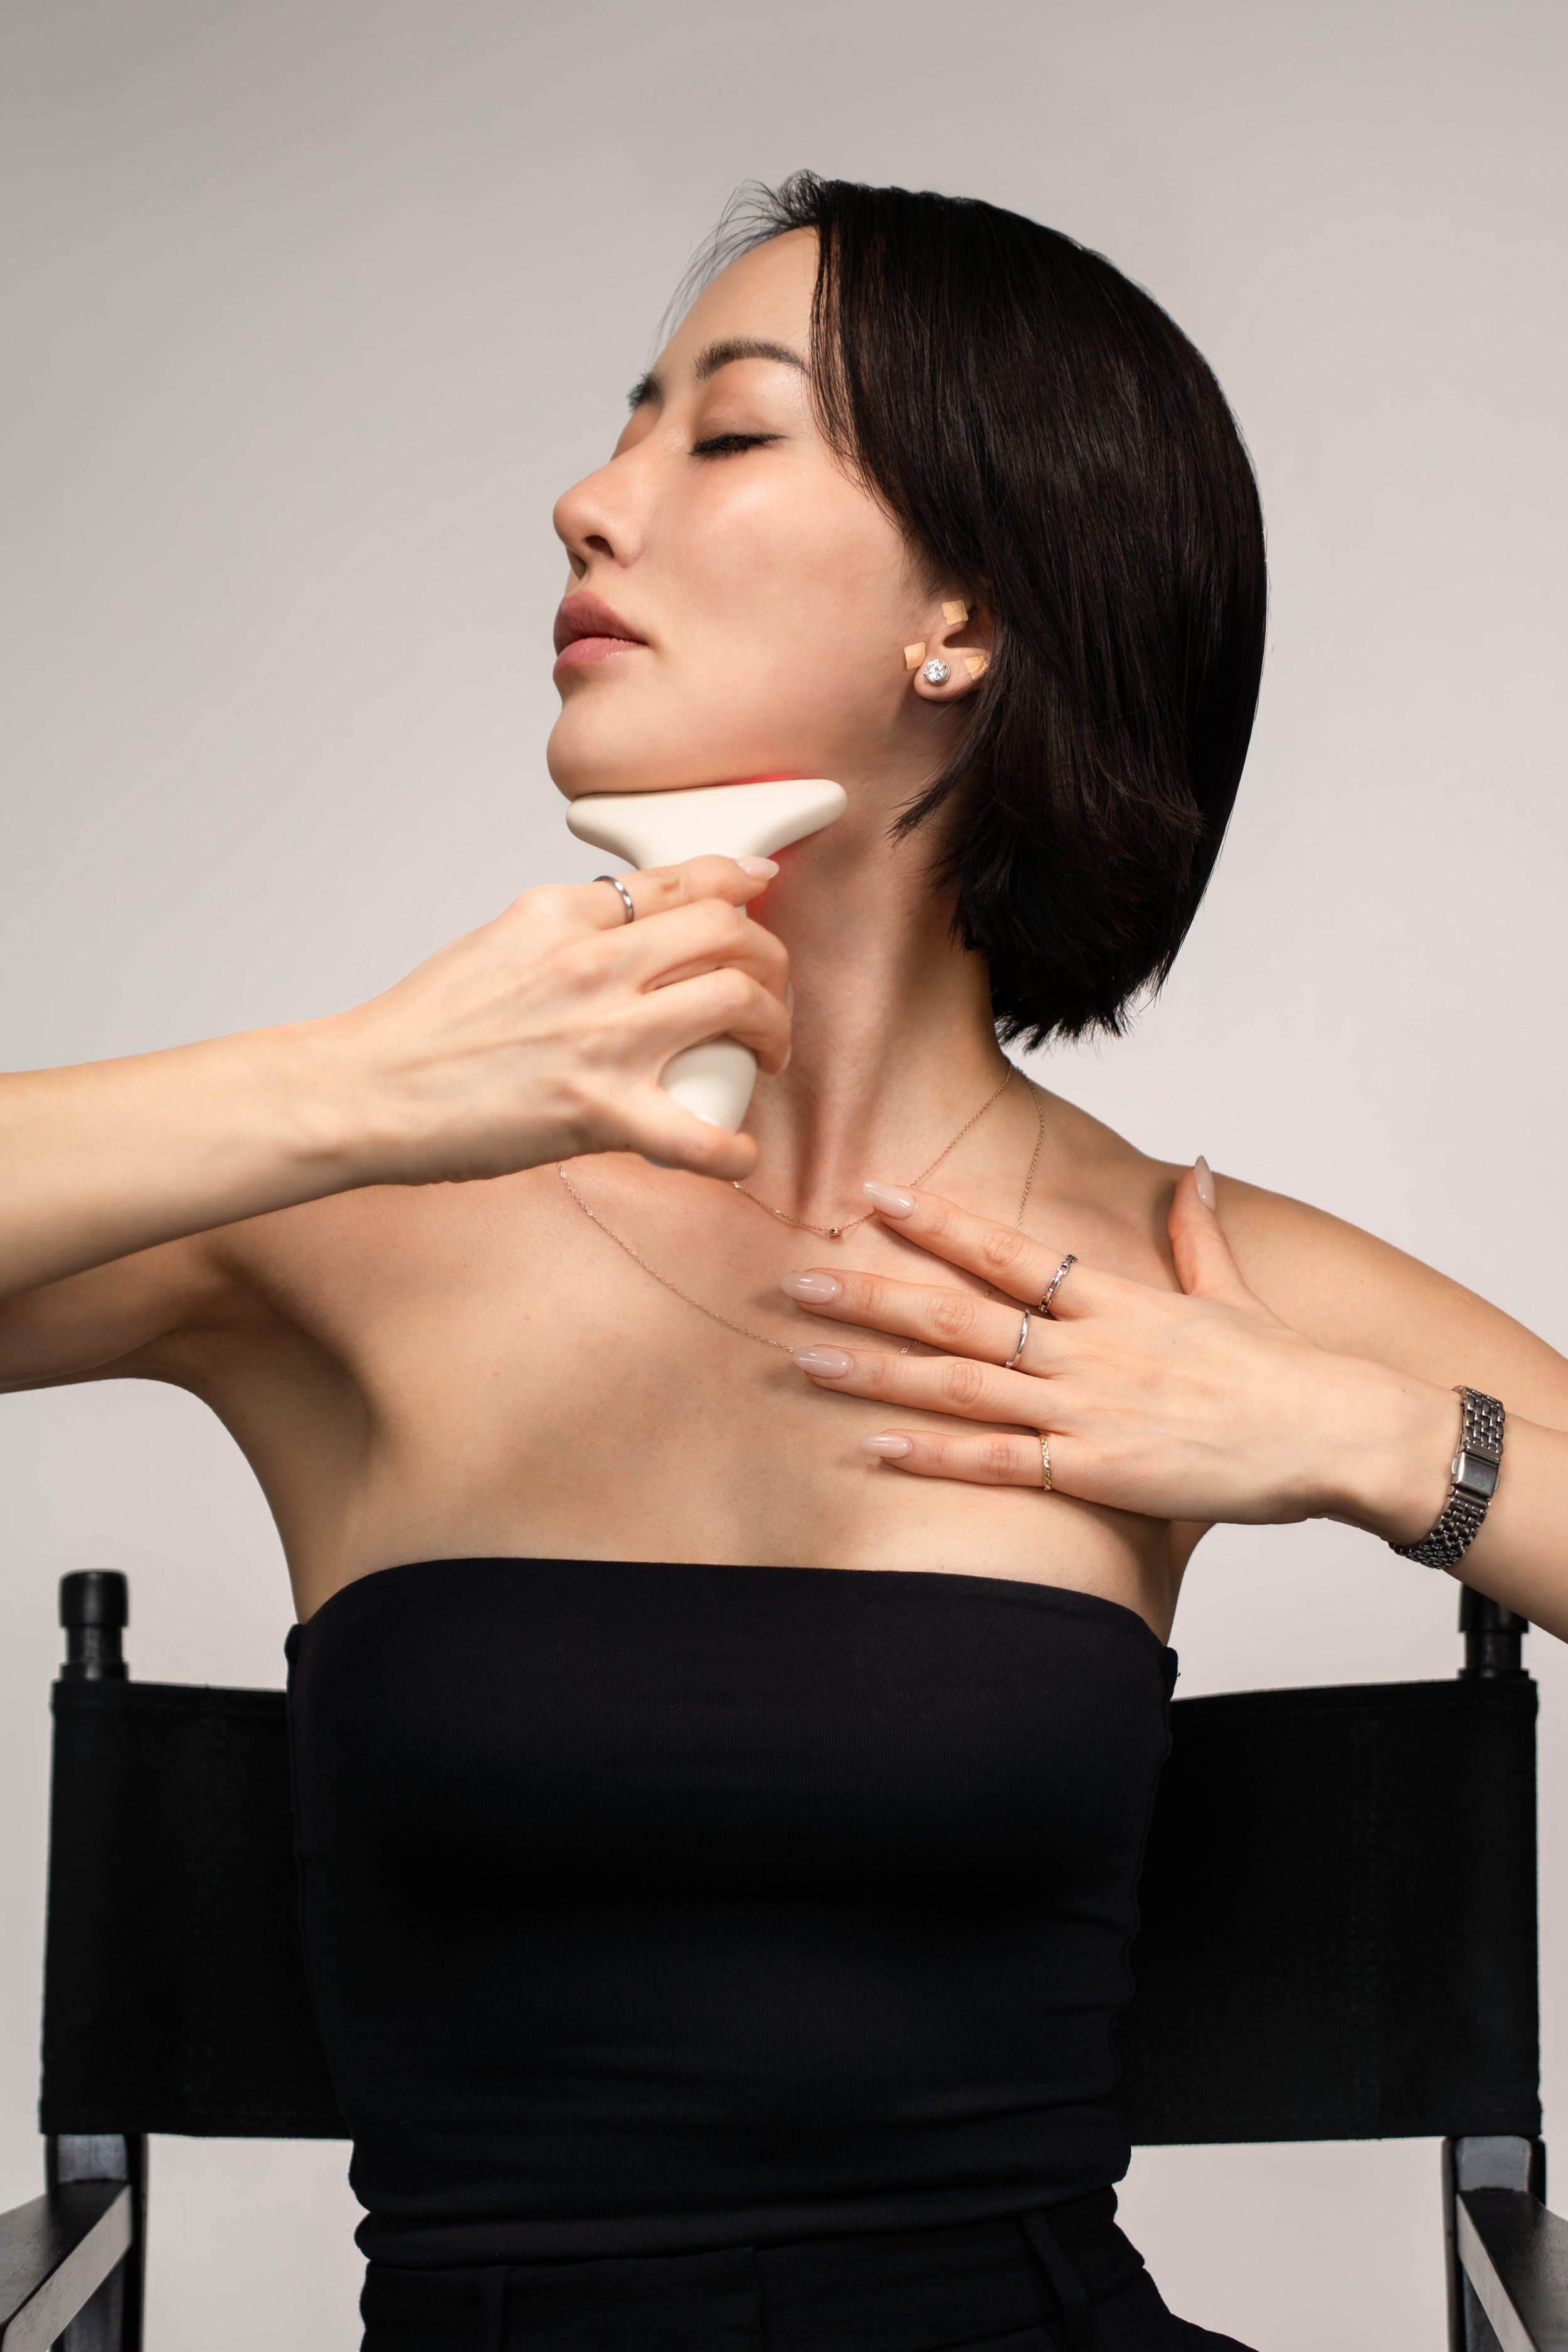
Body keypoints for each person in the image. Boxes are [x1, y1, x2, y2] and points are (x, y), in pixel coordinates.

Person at [3, 172, 1565, 2351]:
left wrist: (1383, 1443)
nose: (582, 499)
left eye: (720, 434)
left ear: (968, 616)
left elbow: (1430, 1454)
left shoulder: (1171, 1269)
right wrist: (355, 1086)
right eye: (623, 426)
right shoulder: (341, 1240)